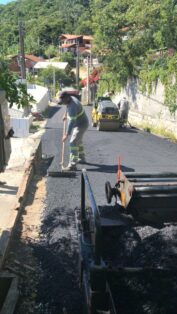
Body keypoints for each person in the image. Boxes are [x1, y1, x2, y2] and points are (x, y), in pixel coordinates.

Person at [58, 91, 89, 171]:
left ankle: (72, 165)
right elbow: (67, 107)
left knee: (73, 142)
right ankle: (81, 158)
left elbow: (72, 122)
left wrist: (66, 134)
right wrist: (66, 115)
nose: (63, 103)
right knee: (79, 141)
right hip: (79, 123)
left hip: (81, 125)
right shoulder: (70, 99)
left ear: (67, 98)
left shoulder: (73, 105)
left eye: (63, 101)